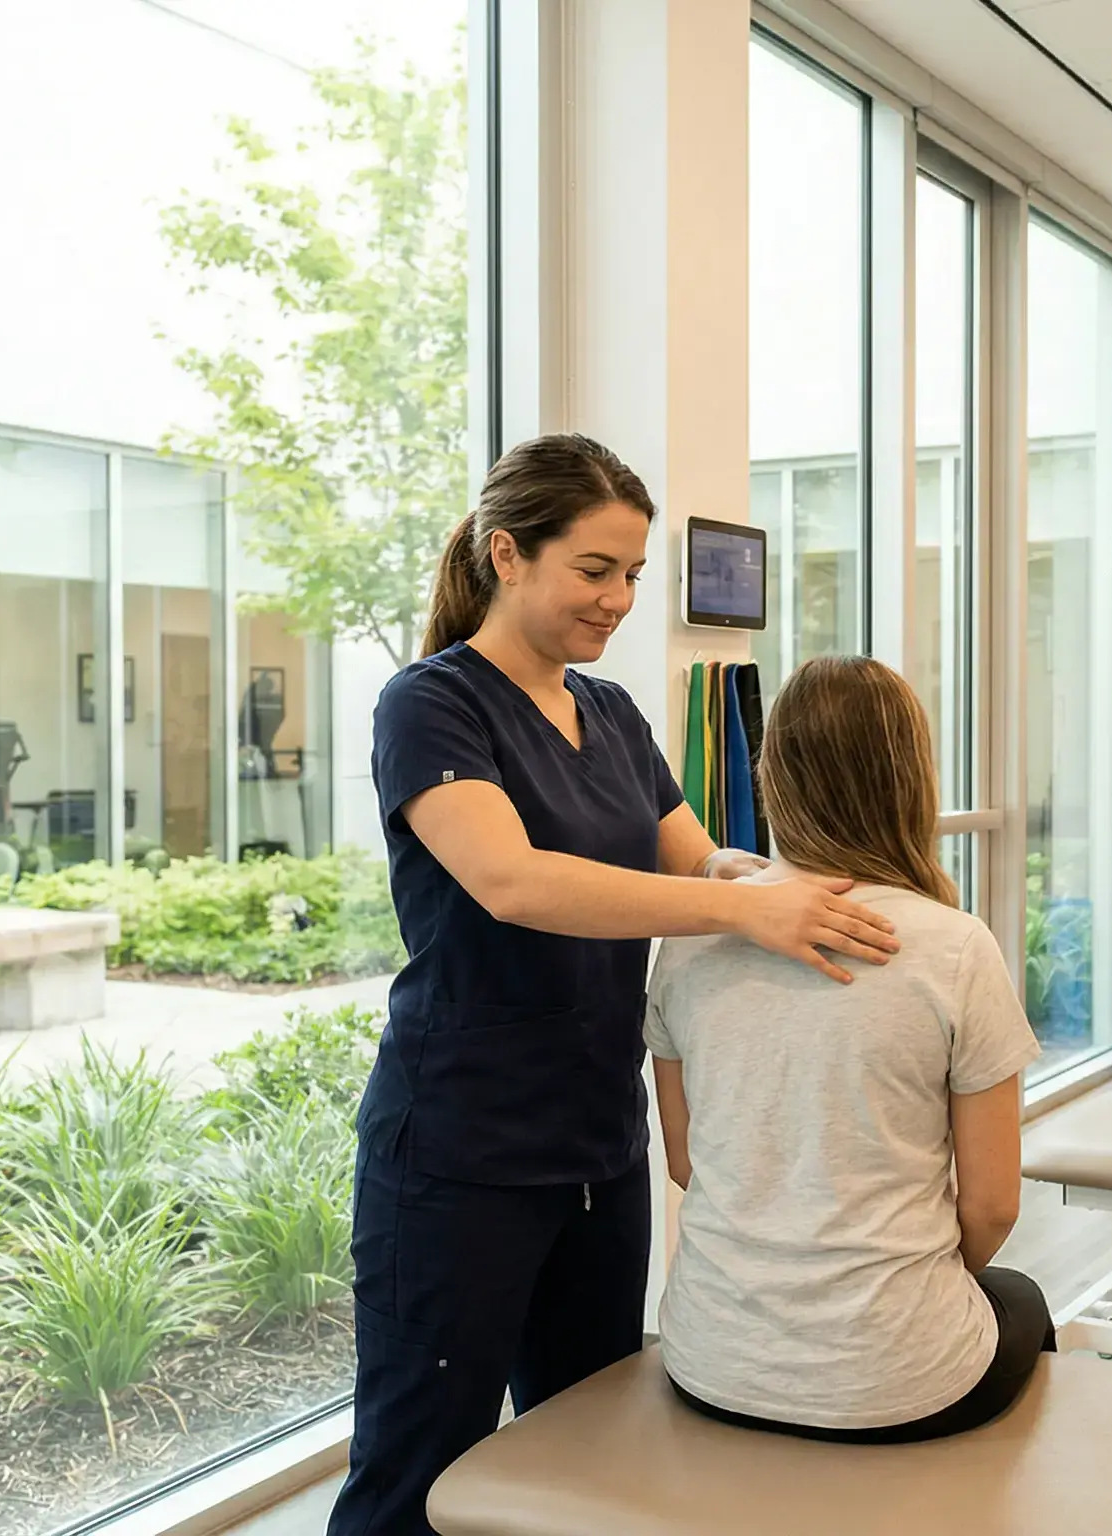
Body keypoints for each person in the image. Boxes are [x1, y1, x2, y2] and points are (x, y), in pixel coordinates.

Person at [330, 434, 904, 1536]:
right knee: (416, 1469)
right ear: (507, 554)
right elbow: (510, 881)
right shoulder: (431, 705)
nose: (620, 599)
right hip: (461, 1153)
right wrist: (744, 910)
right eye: (594, 570)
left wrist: (803, 886)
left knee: (587, 1453)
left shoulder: (614, 713)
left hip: (597, 1145)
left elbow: (701, 861)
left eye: (633, 573)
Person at [646, 654, 1048, 1443]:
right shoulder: (955, 947)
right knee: (1021, 1298)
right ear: (911, 780)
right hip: (896, 1381)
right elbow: (993, 1206)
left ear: (774, 778)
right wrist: (891, 1305)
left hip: (709, 1360)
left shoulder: (692, 936)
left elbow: (686, 1163)